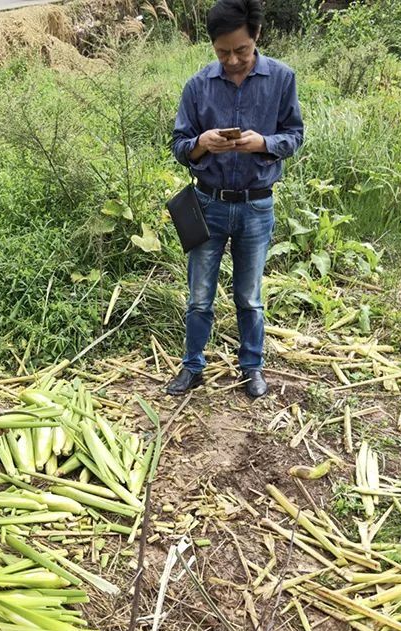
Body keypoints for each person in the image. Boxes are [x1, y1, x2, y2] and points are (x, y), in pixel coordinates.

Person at [166, 0, 304, 399]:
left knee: (249, 295)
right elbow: (179, 145)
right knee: (199, 296)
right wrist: (200, 145)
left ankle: (252, 367)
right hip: (207, 203)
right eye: (222, 52)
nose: (232, 60)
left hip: (257, 205)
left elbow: (294, 135)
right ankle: (193, 367)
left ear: (256, 37)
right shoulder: (197, 85)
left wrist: (264, 143)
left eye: (240, 50)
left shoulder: (281, 78)